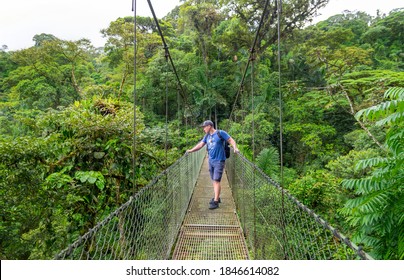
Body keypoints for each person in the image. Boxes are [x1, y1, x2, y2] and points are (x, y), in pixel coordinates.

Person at [186, 120, 239, 210]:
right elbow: (200, 145)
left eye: (204, 127)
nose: (203, 129)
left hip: (219, 161)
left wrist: (235, 148)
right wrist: (191, 150)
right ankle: (217, 197)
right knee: (214, 181)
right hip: (210, 161)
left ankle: (215, 201)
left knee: (216, 180)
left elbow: (230, 140)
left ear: (210, 126)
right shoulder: (207, 136)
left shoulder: (220, 133)